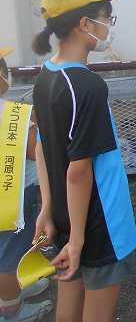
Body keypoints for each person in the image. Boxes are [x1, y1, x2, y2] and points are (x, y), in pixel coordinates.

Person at [30, 0, 136, 322]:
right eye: (107, 18)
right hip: (99, 223)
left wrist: (48, 208)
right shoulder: (87, 86)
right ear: (83, 23)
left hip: (68, 215)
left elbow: (42, 147)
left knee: (69, 305)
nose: (109, 26)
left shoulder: (46, 76)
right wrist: (77, 241)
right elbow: (79, 170)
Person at [0, 48, 53, 321]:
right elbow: (36, 152)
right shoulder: (13, 115)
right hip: (13, 197)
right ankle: (12, 308)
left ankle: (16, 288)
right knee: (10, 254)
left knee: (8, 249)